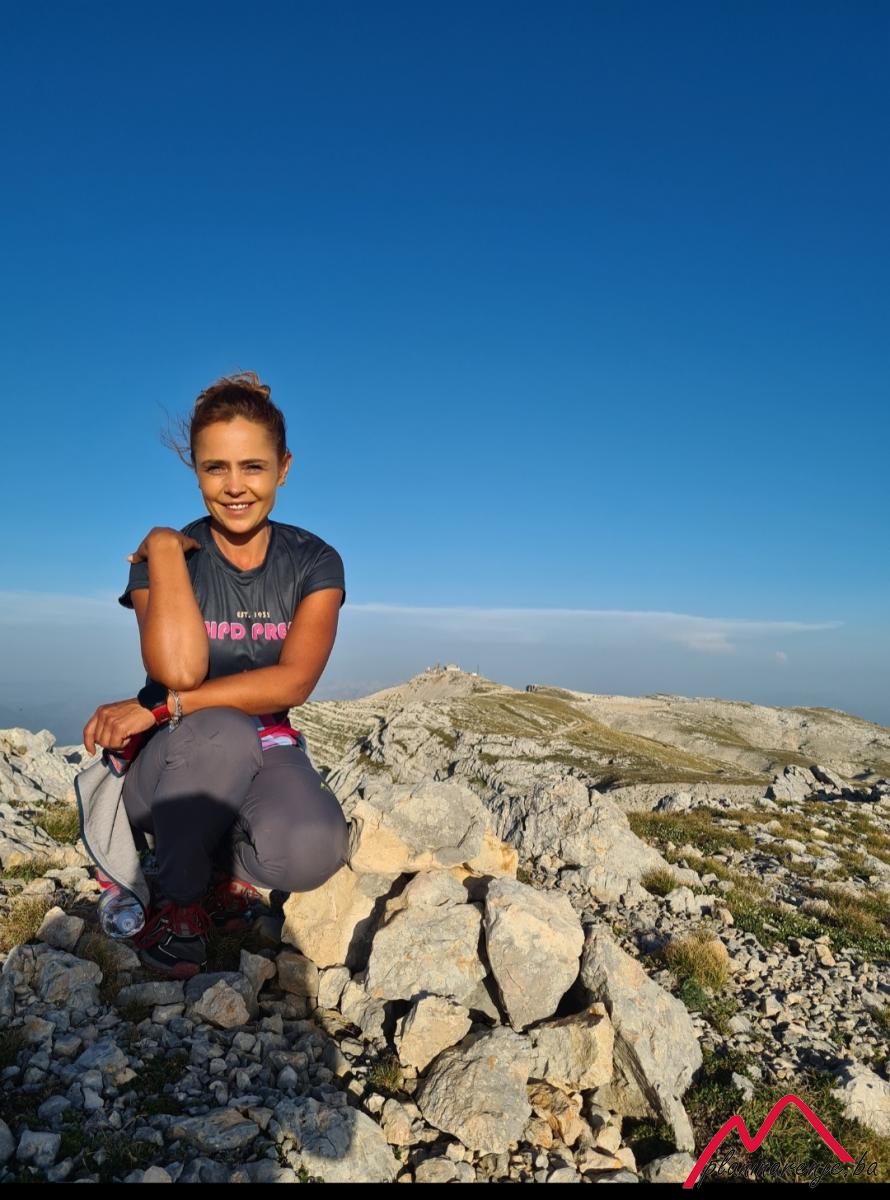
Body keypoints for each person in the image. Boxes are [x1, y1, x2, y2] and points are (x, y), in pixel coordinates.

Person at [81, 370, 350, 978]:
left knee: (312, 850)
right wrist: (163, 547)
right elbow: (177, 670)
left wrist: (159, 706)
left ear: (283, 468)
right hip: (172, 768)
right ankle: (177, 902)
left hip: (262, 745)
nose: (234, 487)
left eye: (253, 467)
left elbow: (293, 683)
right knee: (223, 728)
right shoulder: (162, 560)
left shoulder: (314, 561)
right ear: (196, 471)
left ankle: (221, 872)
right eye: (215, 468)